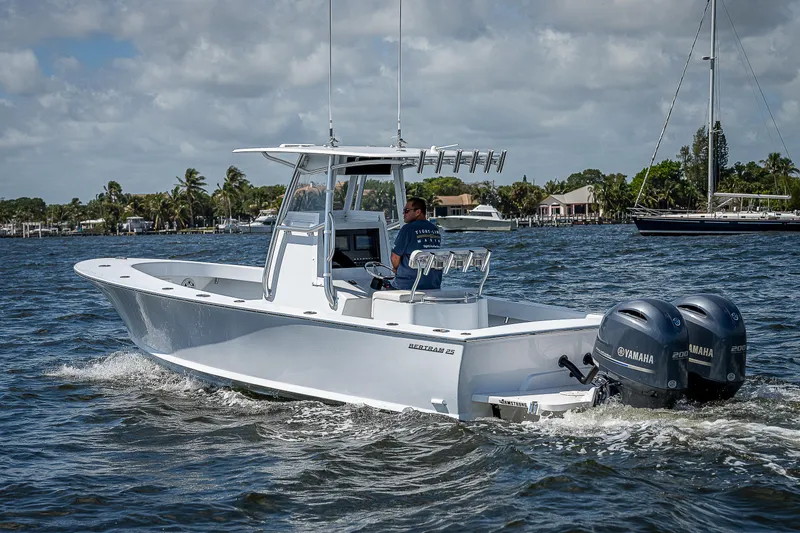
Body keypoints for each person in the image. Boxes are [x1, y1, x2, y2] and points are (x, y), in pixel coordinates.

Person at [391, 197, 442, 290]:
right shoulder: (435, 229)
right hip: (433, 285)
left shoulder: (407, 229)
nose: (403, 213)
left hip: (408, 285)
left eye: (406, 210)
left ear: (418, 212)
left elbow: (395, 257)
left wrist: (396, 269)